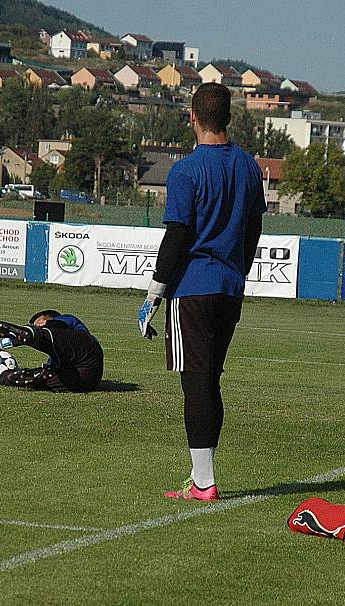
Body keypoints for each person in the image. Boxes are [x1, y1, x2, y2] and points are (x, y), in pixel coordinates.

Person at [138, 82, 265, 502]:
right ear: (229, 117)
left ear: (192, 117)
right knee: (211, 380)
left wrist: (154, 293)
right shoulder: (249, 166)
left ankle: (204, 484)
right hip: (230, 288)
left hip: (192, 289)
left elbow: (176, 237)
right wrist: (238, 272)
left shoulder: (185, 171)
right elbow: (253, 230)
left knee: (196, 383)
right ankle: (203, 478)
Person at [0, 310, 103, 393]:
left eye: (38, 323)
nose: (40, 325)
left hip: (88, 356)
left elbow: (59, 325)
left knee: (42, 336)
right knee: (43, 378)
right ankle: (6, 377)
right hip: (85, 381)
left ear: (49, 317)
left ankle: (31, 335)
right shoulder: (54, 352)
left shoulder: (68, 321)